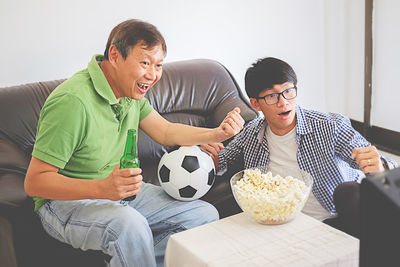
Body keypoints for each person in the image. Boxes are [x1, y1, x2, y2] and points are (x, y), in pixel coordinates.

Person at [24, 19, 244, 267]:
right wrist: (102, 189)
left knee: (202, 216)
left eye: (158, 65)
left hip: (118, 193)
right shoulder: (72, 103)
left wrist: (215, 134)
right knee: (130, 225)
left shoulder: (131, 93)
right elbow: (35, 182)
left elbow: (166, 131)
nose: (153, 74)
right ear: (115, 56)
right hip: (65, 203)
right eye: (144, 63)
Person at [201, 57, 398, 237]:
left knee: (350, 191)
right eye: (272, 96)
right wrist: (211, 155)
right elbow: (223, 161)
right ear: (256, 103)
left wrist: (380, 167)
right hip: (279, 223)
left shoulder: (330, 126)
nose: (283, 102)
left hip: (336, 219)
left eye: (288, 91)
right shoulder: (251, 133)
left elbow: (386, 169)